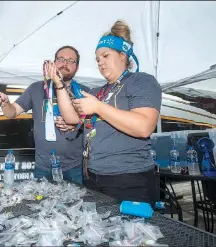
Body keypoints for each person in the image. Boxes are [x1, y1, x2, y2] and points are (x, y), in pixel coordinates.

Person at [50, 20, 162, 204]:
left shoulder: (141, 81)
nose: (100, 63)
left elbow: (144, 127)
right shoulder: (98, 92)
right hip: (93, 176)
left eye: (105, 56)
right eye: (97, 59)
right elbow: (71, 118)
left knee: (132, 232)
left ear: (123, 55)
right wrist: (59, 84)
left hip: (129, 179)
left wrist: (98, 107)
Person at [0, 46, 89, 184]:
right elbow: (12, 112)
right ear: (53, 62)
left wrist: (74, 125)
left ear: (77, 67)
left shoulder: (85, 92)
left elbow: (90, 126)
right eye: (61, 59)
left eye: (71, 61)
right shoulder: (36, 88)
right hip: (43, 166)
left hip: (75, 167)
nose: (65, 63)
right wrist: (5, 104)